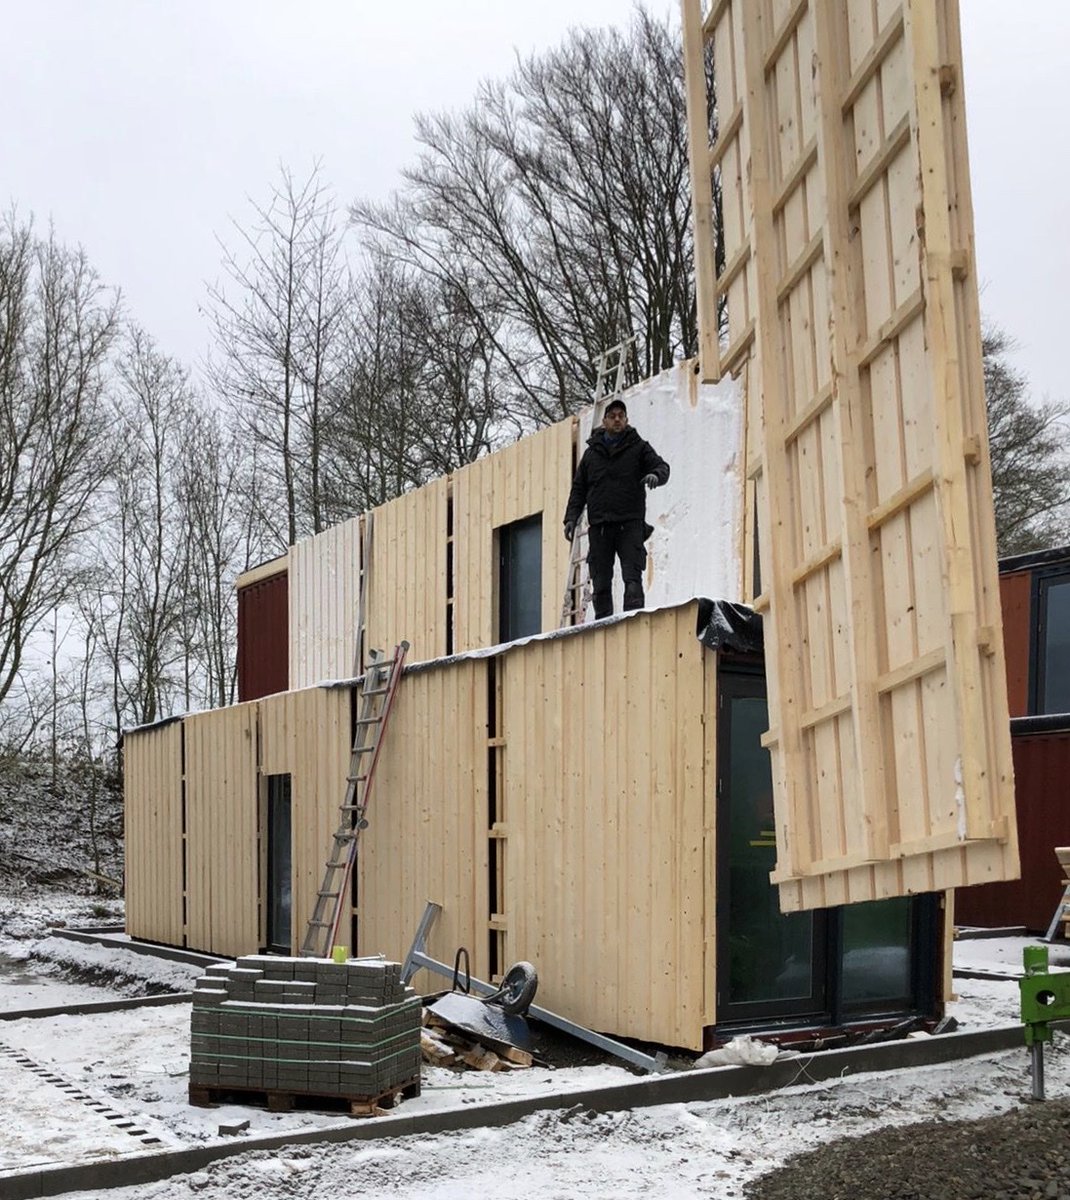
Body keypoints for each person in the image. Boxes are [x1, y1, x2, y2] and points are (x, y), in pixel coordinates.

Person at [562, 398, 670, 619]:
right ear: (604, 421)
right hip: (600, 526)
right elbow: (578, 489)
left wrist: (655, 475)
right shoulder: (591, 455)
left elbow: (662, 467)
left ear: (627, 420)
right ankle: (603, 627)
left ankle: (632, 625)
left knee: (632, 581)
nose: (617, 419)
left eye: (621, 415)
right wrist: (571, 518)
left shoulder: (639, 447)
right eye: (612, 416)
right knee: (600, 584)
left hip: (629, 523)